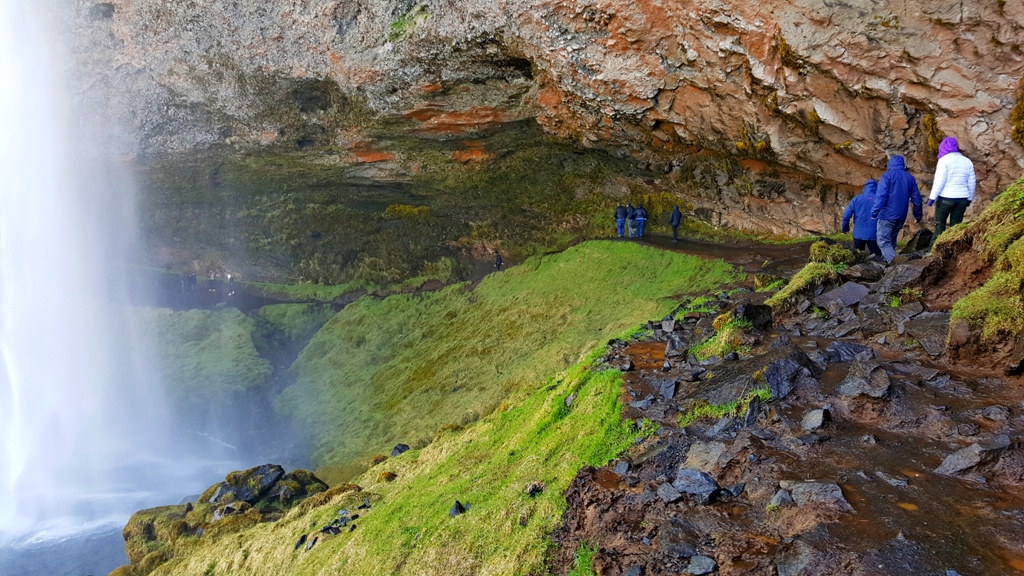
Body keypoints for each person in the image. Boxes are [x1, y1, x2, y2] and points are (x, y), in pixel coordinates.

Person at [871, 154, 923, 264]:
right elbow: (917, 200)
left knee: (883, 241)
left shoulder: (887, 176)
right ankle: (889, 262)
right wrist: (918, 215)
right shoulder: (910, 178)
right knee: (892, 239)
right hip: (901, 215)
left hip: (887, 214)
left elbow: (881, 196)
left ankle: (895, 264)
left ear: (890, 164)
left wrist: (874, 211)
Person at [927, 136, 976, 244]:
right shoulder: (967, 161)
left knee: (940, 225)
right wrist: (969, 199)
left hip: (946, 198)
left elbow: (939, 181)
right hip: (962, 199)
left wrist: (932, 198)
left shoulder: (944, 161)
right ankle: (954, 249)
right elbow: (971, 182)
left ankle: (934, 250)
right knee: (956, 227)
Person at [841, 179, 881, 257]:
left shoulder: (856, 199)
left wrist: (845, 229)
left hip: (858, 233)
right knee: (877, 257)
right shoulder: (879, 199)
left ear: (865, 187)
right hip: (874, 234)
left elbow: (846, 216)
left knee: (858, 256)